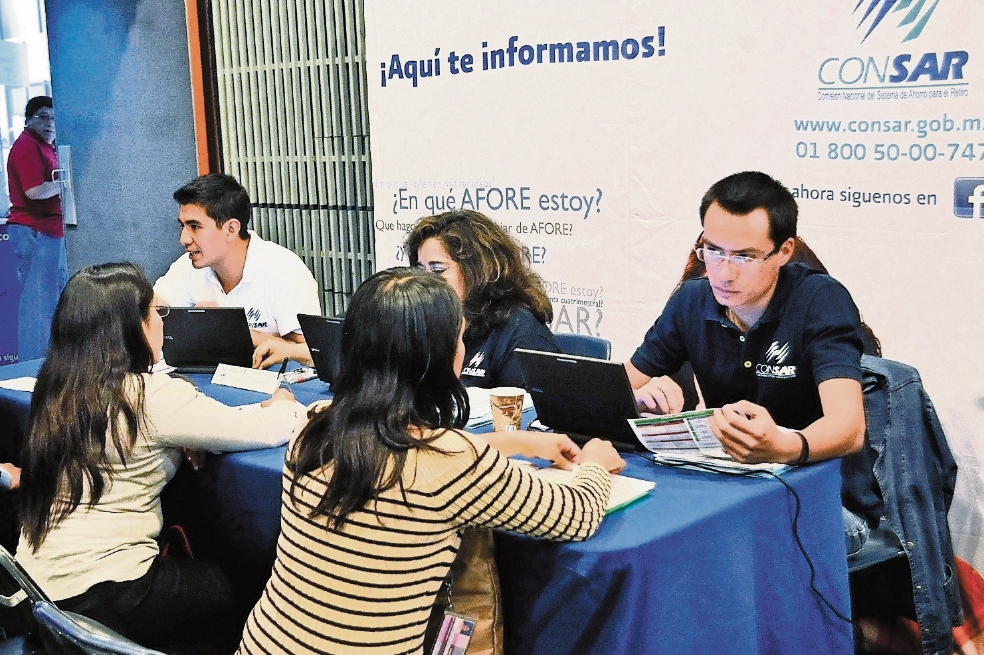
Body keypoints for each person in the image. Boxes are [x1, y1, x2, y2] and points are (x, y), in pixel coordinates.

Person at [237, 267, 624, 655]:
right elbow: (577, 514)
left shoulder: (312, 425)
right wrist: (594, 462)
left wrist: (513, 441)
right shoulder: (455, 462)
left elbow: (395, 445)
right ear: (438, 358)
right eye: (458, 338)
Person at [18, 262, 305, 651]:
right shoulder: (148, 396)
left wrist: (189, 430)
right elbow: (266, 428)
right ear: (133, 326)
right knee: (249, 588)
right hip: (106, 588)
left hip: (37, 580)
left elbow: (187, 423)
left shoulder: (56, 386)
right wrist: (286, 403)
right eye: (158, 312)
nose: (164, 324)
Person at [625, 171, 866, 468]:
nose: (724, 273)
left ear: (784, 252)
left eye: (744, 257)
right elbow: (621, 382)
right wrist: (632, 399)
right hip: (726, 474)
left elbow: (849, 428)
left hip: (817, 483)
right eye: (713, 251)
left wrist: (782, 448)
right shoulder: (691, 299)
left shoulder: (820, 299)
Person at [153, 173, 321, 369]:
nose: (184, 239)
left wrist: (228, 329)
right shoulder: (187, 267)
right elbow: (151, 313)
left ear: (231, 229)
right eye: (183, 226)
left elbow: (313, 351)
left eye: (195, 227)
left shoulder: (284, 270)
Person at [405, 210, 558, 388]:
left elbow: (525, 412)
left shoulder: (522, 334)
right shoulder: (424, 322)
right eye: (420, 271)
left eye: (438, 270)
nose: (425, 282)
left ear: (476, 271)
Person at [5, 96, 67, 361]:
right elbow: (33, 191)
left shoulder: (46, 147)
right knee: (39, 306)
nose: (50, 123)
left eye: (54, 118)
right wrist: (66, 183)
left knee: (51, 303)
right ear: (29, 120)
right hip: (35, 230)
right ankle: (35, 369)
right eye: (43, 117)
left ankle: (49, 364)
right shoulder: (28, 146)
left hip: (49, 230)